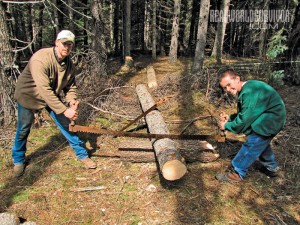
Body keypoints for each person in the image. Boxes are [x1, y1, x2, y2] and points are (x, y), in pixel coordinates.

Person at [12, 30, 97, 177]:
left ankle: (82, 155)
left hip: (51, 95)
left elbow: (71, 86)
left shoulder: (69, 64)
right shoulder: (41, 59)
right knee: (23, 128)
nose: (67, 47)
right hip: (29, 95)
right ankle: (18, 160)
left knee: (66, 125)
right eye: (64, 44)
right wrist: (64, 110)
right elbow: (43, 89)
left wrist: (71, 100)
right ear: (57, 43)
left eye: (70, 44)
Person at [215, 68, 286, 183]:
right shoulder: (248, 88)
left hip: (271, 120)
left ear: (237, 79)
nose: (227, 89)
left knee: (252, 144)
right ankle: (271, 167)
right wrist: (230, 118)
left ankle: (237, 173)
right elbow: (245, 113)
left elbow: (243, 121)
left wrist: (226, 126)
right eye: (224, 87)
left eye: (229, 84)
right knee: (261, 142)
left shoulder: (248, 92)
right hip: (271, 117)